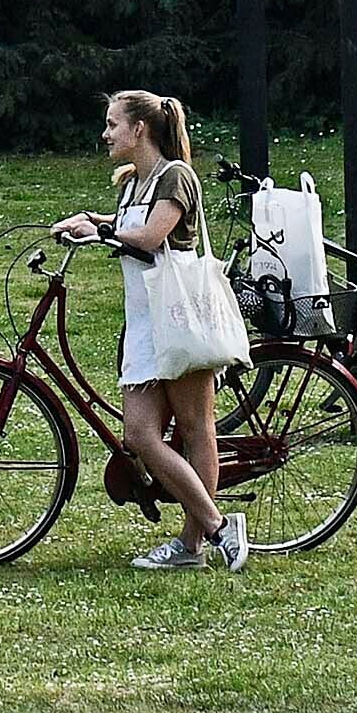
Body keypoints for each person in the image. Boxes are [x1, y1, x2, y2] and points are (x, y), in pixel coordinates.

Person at [55, 87, 245, 574]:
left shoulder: (175, 177)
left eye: (114, 124)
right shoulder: (132, 182)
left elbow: (149, 237)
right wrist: (92, 219)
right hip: (144, 323)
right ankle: (219, 526)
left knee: (196, 430)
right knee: (140, 435)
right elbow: (125, 225)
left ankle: (193, 541)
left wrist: (99, 232)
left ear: (139, 129)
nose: (106, 133)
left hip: (179, 319)